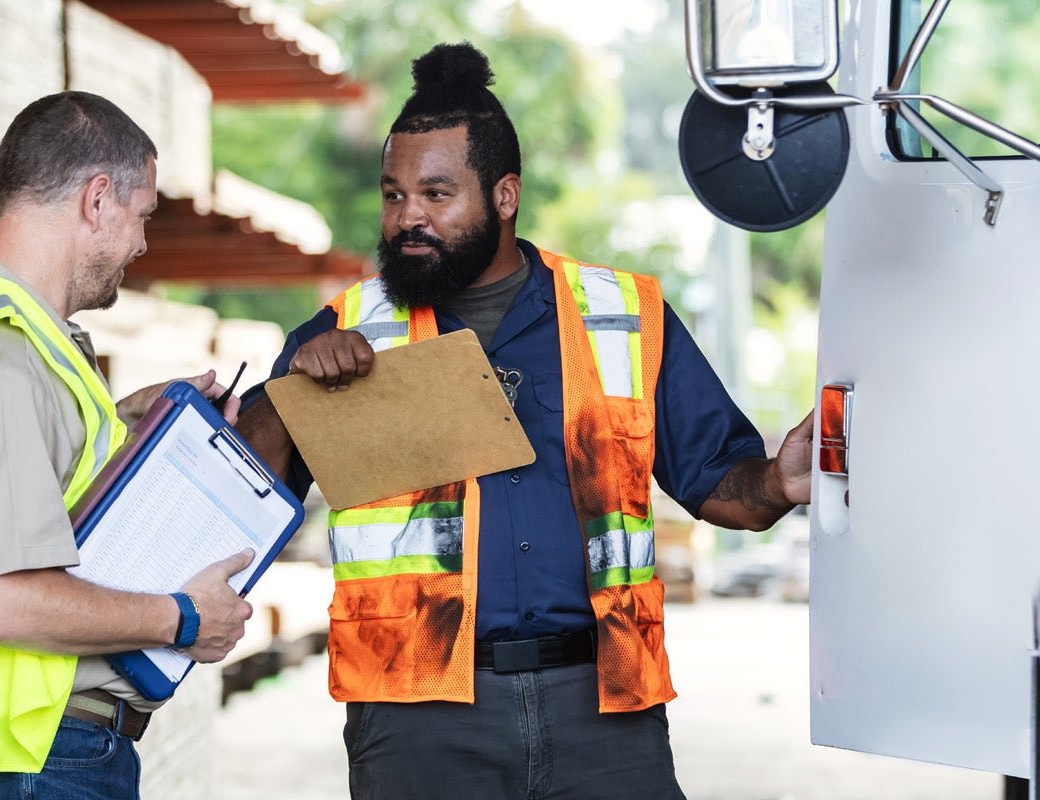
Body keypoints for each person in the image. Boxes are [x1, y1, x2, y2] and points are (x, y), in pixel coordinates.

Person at [236, 44, 815, 799]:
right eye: (392, 195)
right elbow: (240, 494)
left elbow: (719, 485)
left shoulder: (623, 317)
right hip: (420, 722)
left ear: (504, 196)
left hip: (604, 711)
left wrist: (776, 480)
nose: (408, 217)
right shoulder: (348, 329)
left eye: (436, 194)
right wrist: (291, 394)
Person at [0, 91, 256, 800]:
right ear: (98, 199)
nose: (140, 243)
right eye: (142, 215)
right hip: (30, 753)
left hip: (1, 745)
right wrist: (183, 616)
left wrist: (129, 423)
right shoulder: (5, 359)